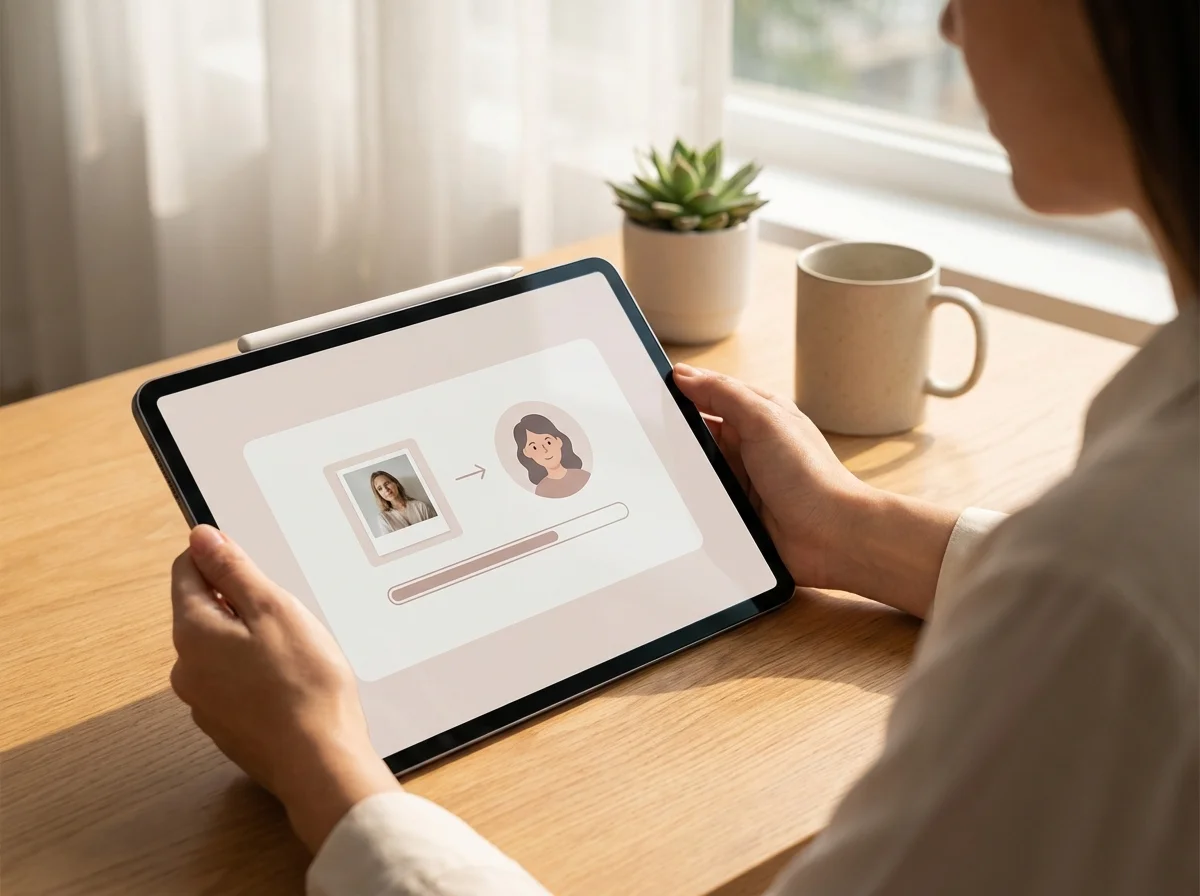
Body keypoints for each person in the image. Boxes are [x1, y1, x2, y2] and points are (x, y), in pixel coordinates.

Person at [166, 1, 1198, 893]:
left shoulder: (1107, 575)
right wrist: (853, 529)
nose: (947, 22)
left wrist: (328, 774)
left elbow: (1106, 606)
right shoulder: (1112, 557)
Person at [512, 413, 591, 499]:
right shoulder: (542, 490)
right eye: (535, 447)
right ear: (526, 453)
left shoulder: (583, 476)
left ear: (558, 441)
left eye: (548, 442)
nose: (545, 450)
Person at [369, 470, 434, 535]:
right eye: (380, 488)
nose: (386, 489)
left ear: (395, 483)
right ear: (379, 494)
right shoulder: (383, 518)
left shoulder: (420, 506)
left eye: (387, 483)